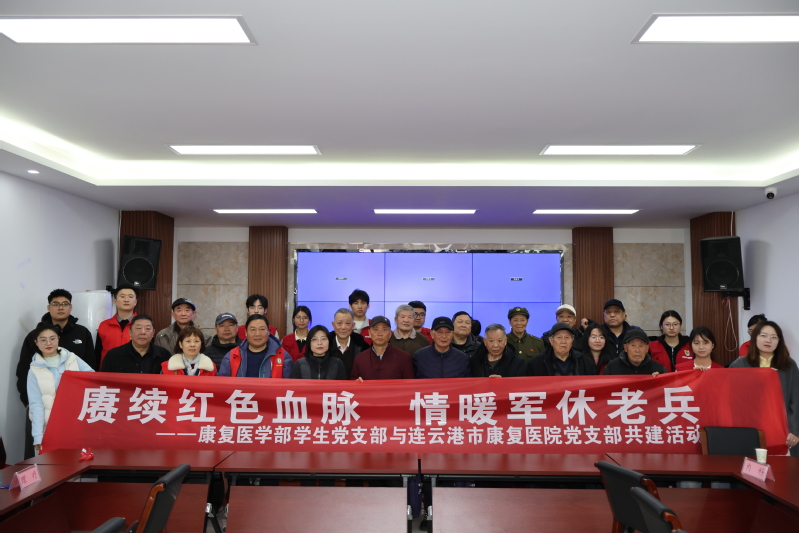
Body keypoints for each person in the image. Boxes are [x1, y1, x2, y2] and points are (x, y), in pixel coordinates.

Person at [730, 321, 799, 457]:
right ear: (755, 337)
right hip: (749, 428)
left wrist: (795, 430)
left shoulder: (788, 365)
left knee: (781, 468)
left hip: (782, 430)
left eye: (774, 337)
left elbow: (796, 400)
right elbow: (731, 399)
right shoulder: (739, 364)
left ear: (779, 341)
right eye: (763, 335)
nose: (768, 340)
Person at [27, 323, 94, 454]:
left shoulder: (72, 358)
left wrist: (74, 379)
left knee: (78, 460)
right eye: (43, 340)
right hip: (51, 425)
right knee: (52, 463)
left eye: (52, 338)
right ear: (36, 342)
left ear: (58, 339)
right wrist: (37, 435)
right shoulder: (34, 370)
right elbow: (36, 404)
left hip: (77, 420)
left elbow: (92, 378)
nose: (48, 343)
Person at [219, 314, 293, 378]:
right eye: (253, 329)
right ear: (246, 333)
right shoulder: (232, 355)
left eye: (262, 329)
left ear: (268, 332)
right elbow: (222, 384)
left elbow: (290, 385)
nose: (257, 334)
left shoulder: (283, 356)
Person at [101, 315, 171, 374]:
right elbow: (104, 381)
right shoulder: (113, 355)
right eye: (138, 328)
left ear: (153, 333)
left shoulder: (164, 355)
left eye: (147, 328)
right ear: (130, 332)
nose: (143, 332)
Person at [527, 322, 597, 376]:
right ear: (551, 341)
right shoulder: (536, 363)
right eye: (559, 337)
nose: (563, 341)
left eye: (567, 337)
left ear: (572, 340)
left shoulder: (586, 362)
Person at [95, 284, 138, 366]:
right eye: (122, 296)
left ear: (135, 302)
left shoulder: (143, 326)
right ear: (115, 301)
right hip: (108, 370)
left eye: (130, 296)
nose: (126, 300)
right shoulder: (104, 325)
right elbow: (97, 354)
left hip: (134, 371)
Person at [328, 308, 370, 376]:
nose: (343, 327)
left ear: (353, 325)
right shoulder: (325, 345)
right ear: (333, 325)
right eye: (339, 323)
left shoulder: (363, 347)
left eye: (347, 323)